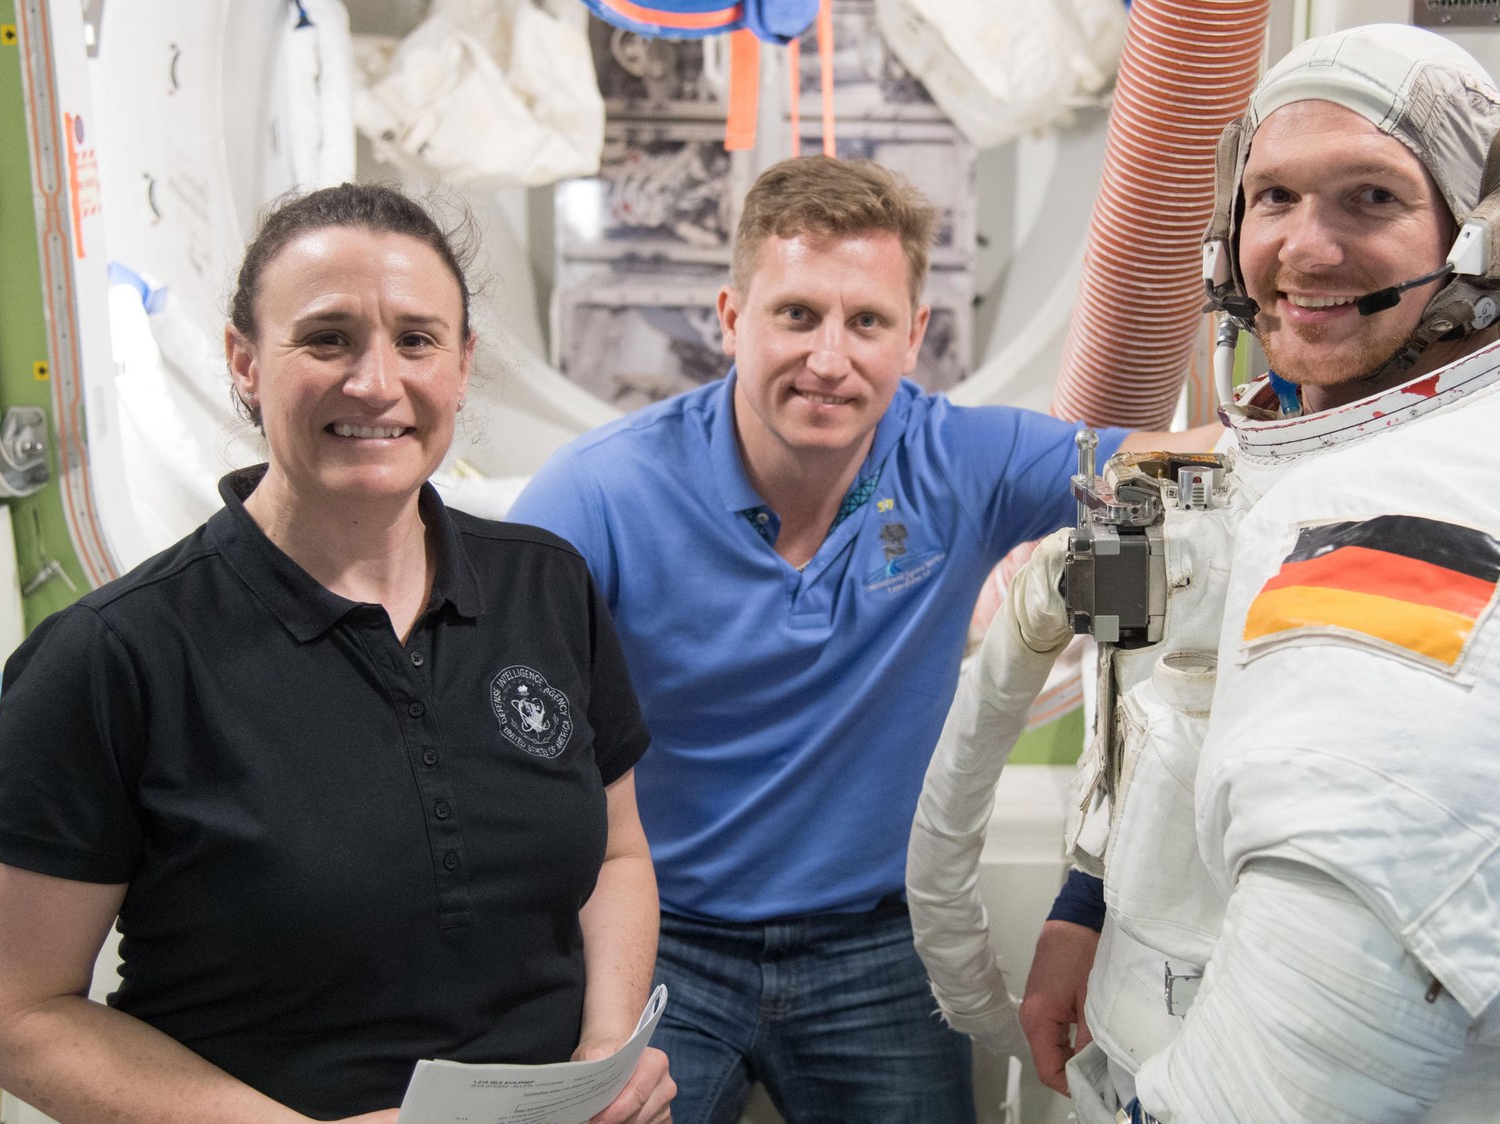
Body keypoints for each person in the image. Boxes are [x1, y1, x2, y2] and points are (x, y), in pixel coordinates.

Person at [996, 24, 1500, 1123]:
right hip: (1157, 1018)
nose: (1306, 249)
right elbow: (1165, 714)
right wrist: (1085, 903)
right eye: (1273, 197)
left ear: (1482, 229)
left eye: (1370, 199)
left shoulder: (1450, 508)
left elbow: (1303, 1065)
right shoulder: (1277, 452)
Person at [508, 156, 1203, 1122]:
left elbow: (1184, 467)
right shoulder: (599, 494)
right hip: (665, 938)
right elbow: (498, 726)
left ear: (914, 334)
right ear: (731, 318)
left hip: (878, 941)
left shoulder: (960, 460)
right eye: (797, 314)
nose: (829, 359)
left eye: (867, 322)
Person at [0, 184, 674, 1124]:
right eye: (328, 339)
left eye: (416, 340)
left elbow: (616, 852)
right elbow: (15, 1012)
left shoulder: (546, 587)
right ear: (245, 362)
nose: (376, 382)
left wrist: (606, 1054)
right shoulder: (112, 659)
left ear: (462, 365)